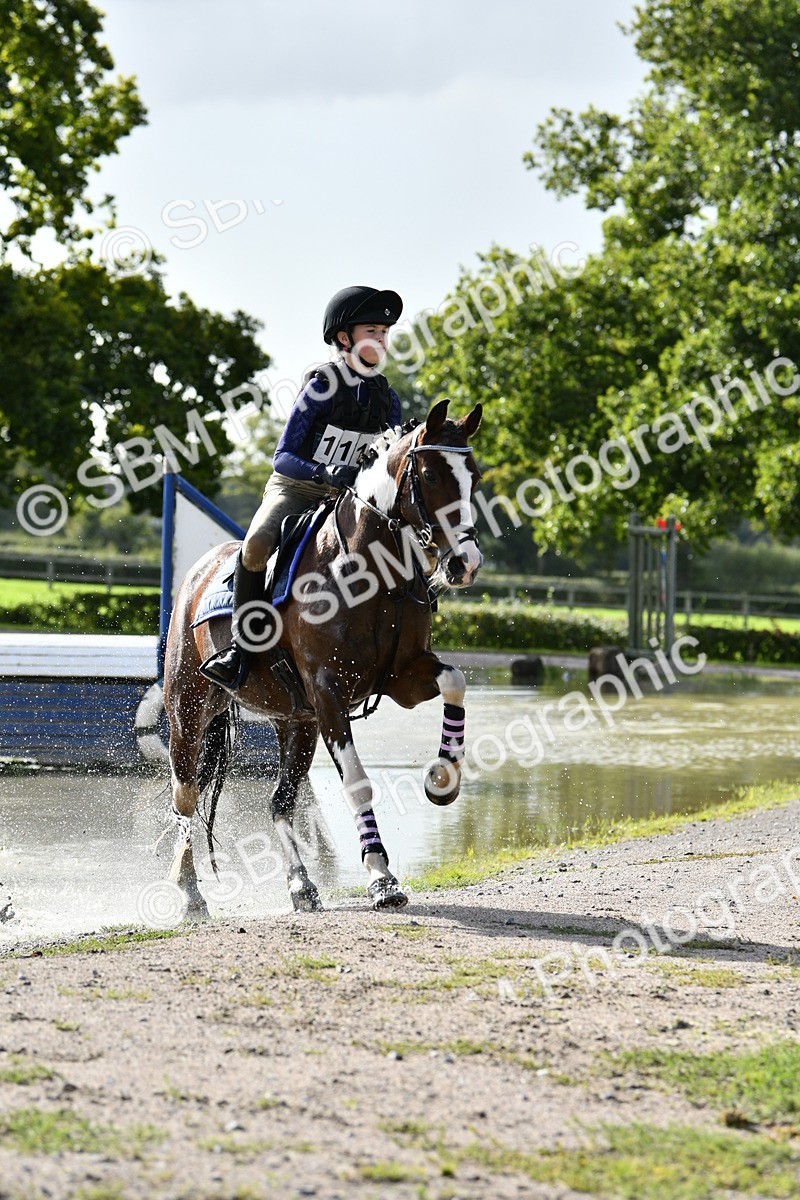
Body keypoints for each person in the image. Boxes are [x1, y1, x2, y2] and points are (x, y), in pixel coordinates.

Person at [200, 285, 404, 690]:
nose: (382, 340)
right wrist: (324, 473)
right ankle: (241, 648)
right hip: (297, 488)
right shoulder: (321, 387)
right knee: (257, 543)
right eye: (372, 331)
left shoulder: (387, 399)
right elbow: (283, 456)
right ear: (344, 337)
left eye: (384, 332)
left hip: (347, 500)